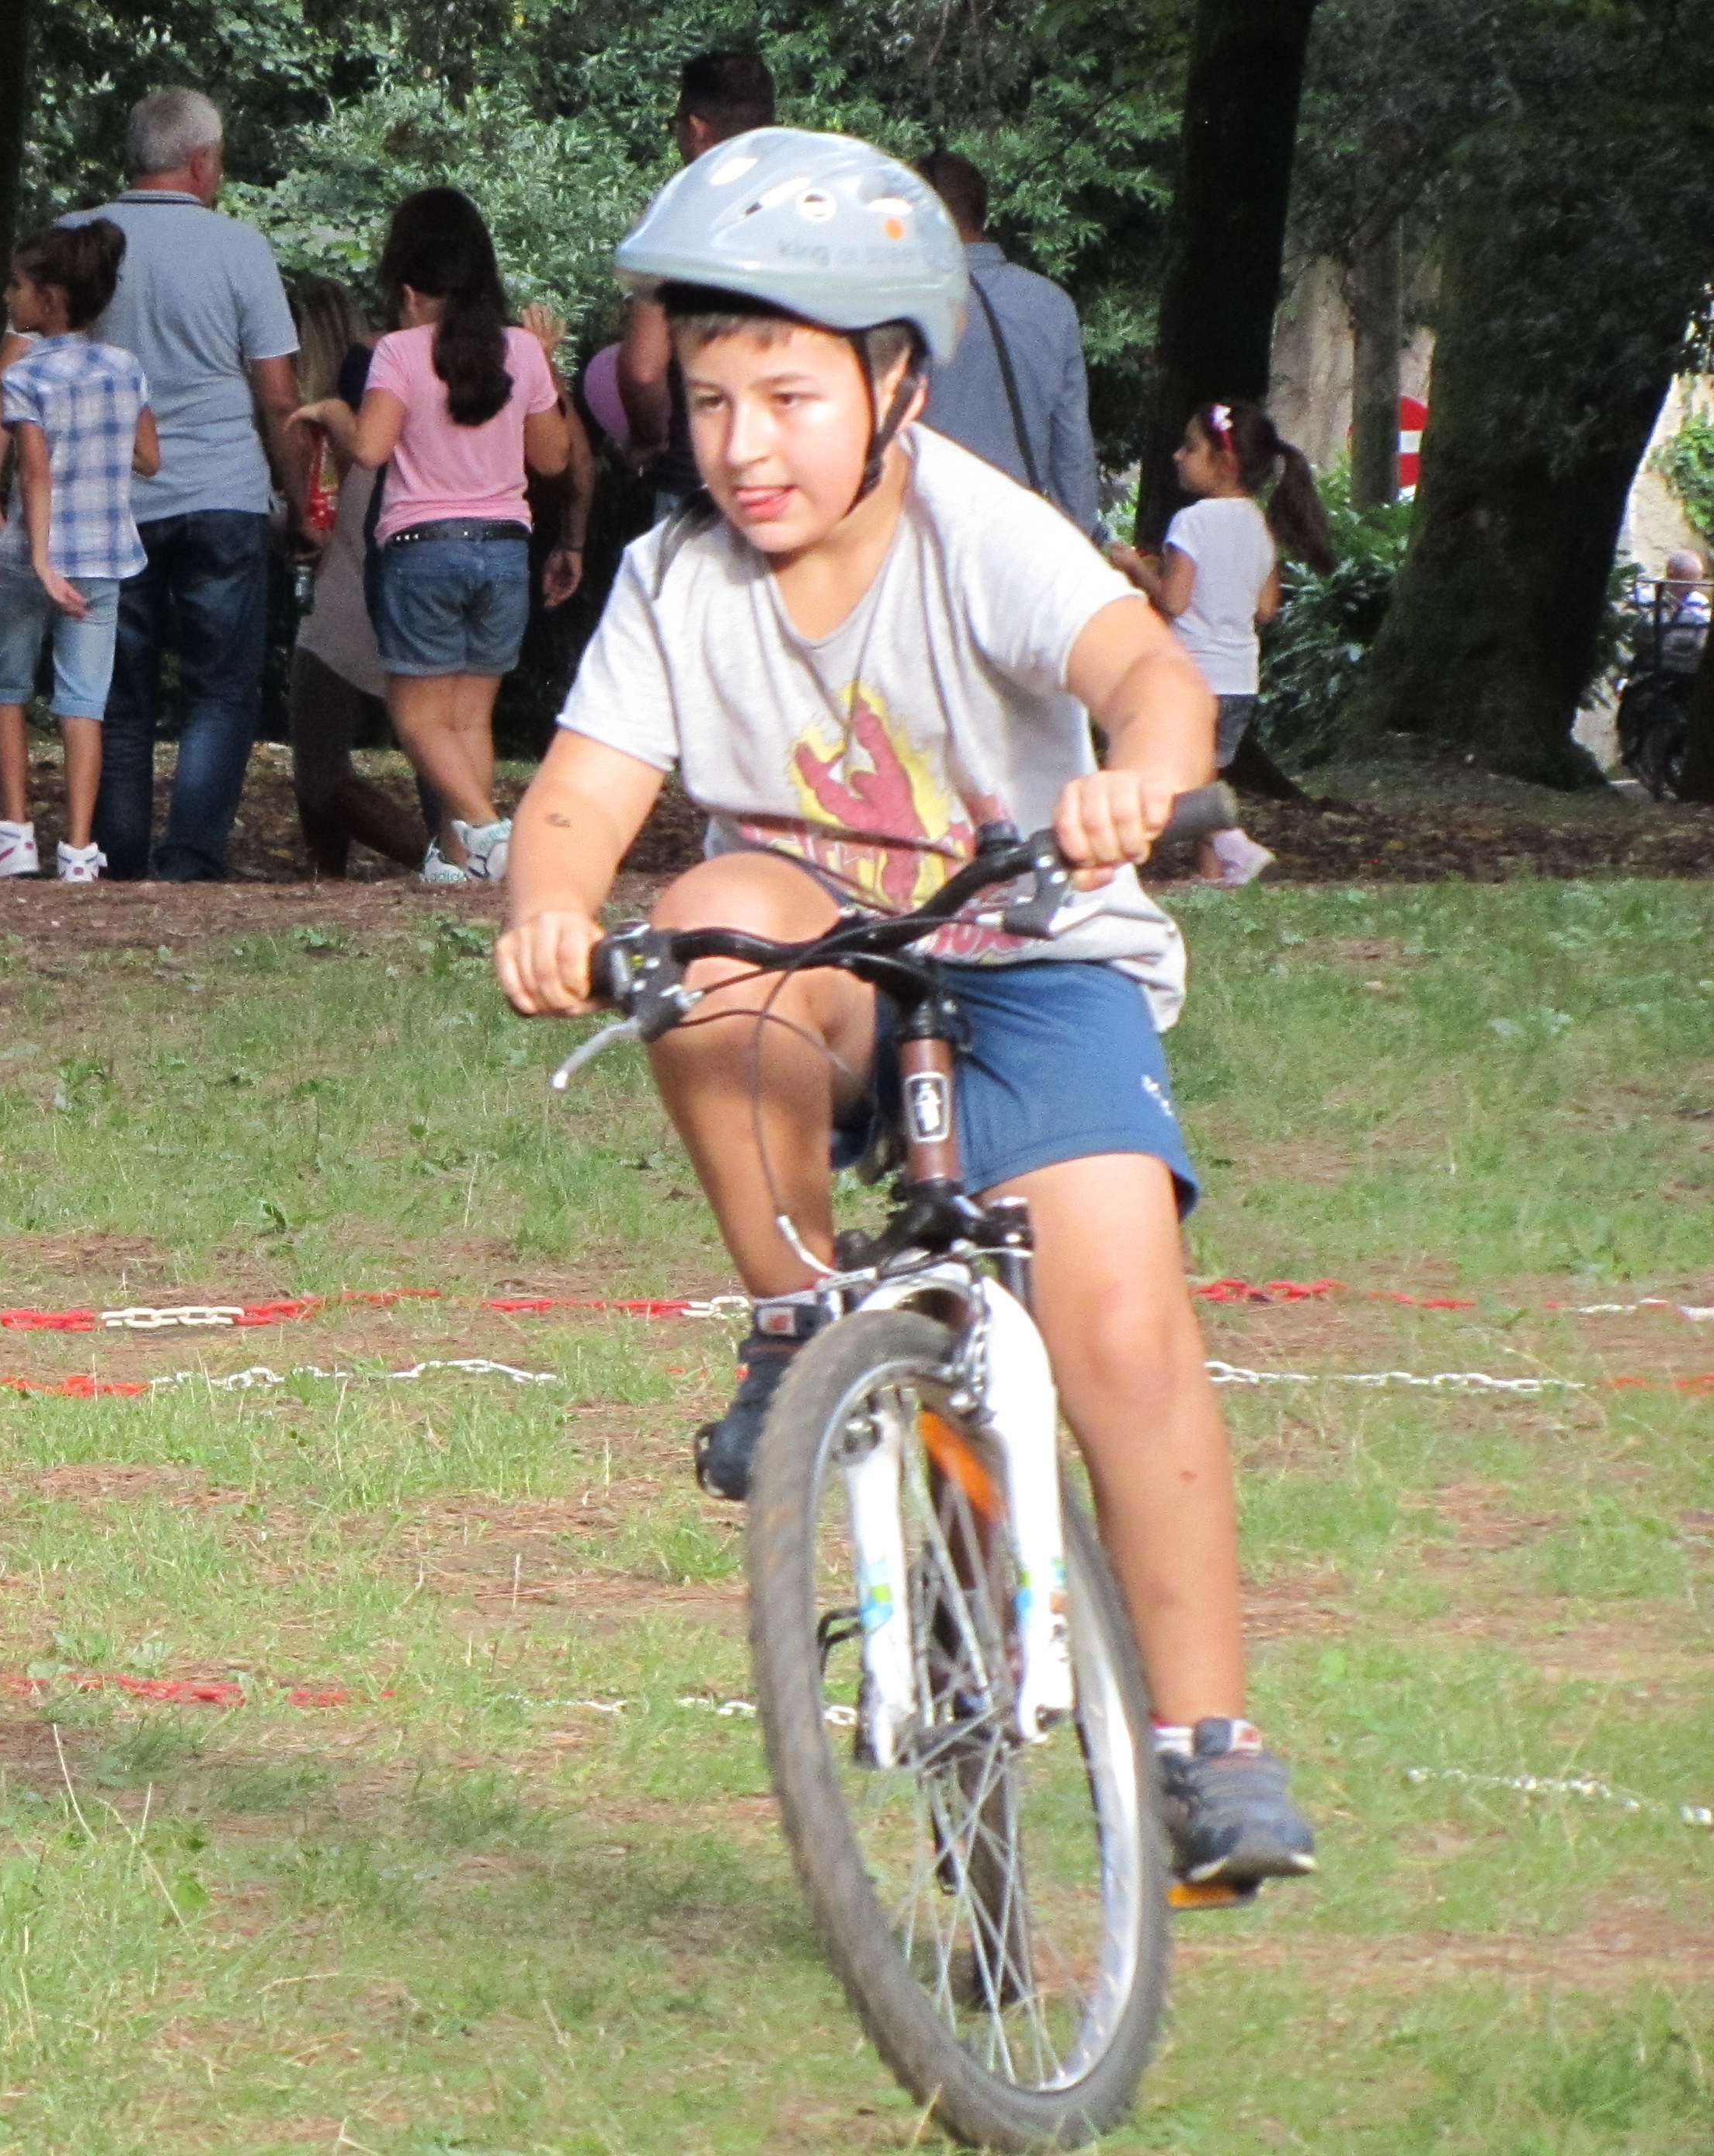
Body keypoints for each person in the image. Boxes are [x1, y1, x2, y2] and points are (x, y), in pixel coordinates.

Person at [493, 127, 1318, 1897]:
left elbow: (1145, 670)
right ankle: (799, 1316)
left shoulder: (978, 529)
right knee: (703, 920)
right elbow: (577, 795)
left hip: (1036, 966)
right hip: (832, 979)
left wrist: (1142, 773)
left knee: (1120, 1321)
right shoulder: (675, 579)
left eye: (790, 398)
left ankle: (1206, 1739)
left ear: (898, 388)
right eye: (711, 400)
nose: (745, 444)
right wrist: (549, 903)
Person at [22, 89, 306, 882]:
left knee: (118, 692)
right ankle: (190, 861)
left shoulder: (74, 241)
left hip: (107, 502)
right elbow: (278, 394)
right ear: (202, 161)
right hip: (223, 492)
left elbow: (20, 372)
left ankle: (115, 858)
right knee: (221, 690)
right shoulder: (240, 247)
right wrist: (299, 499)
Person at [292, 190, 572, 882]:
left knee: (418, 721)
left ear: (411, 291)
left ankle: (489, 832)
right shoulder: (522, 352)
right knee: (470, 720)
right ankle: (459, 859)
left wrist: (332, 411)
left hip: (423, 549)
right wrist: (542, 367)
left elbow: (371, 449)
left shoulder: (399, 352)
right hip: (504, 549)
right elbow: (553, 458)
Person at [0, 221, 160, 882]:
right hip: (105, 557)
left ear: (49, 298)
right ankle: (79, 850)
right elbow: (150, 458)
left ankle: (14, 833)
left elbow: (35, 474)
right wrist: (100, 447)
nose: (9, 297)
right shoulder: (125, 368)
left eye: (17, 286)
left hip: (32, 559)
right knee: (84, 704)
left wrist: (43, 560)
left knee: (7, 687)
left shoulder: (25, 375)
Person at [1107, 399, 1335, 887]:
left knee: (1178, 775)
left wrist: (1134, 568)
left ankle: (1237, 849)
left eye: (1190, 447)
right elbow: (1266, 608)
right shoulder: (1260, 523)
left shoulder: (1192, 522)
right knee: (1207, 776)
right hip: (1240, 679)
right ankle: (1212, 874)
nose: (1177, 455)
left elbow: (1173, 601)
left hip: (1192, 675)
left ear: (1225, 462)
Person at [283, 276, 445, 875]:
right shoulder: (387, 400)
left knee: (319, 763)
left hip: (352, 592)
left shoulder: (347, 414)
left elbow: (334, 510)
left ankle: (439, 863)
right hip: (378, 582)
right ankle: (331, 874)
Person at [616, 51, 777, 515]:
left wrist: (648, 441)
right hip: (790, 467)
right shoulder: (808, 206)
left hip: (697, 472)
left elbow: (644, 369)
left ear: (697, 128)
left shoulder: (677, 213)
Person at [912, 148, 1102, 535]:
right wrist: (1080, 539)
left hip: (922, 528)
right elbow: (1072, 448)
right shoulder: (1051, 304)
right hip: (1016, 532)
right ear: (981, 212)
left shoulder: (899, 303)